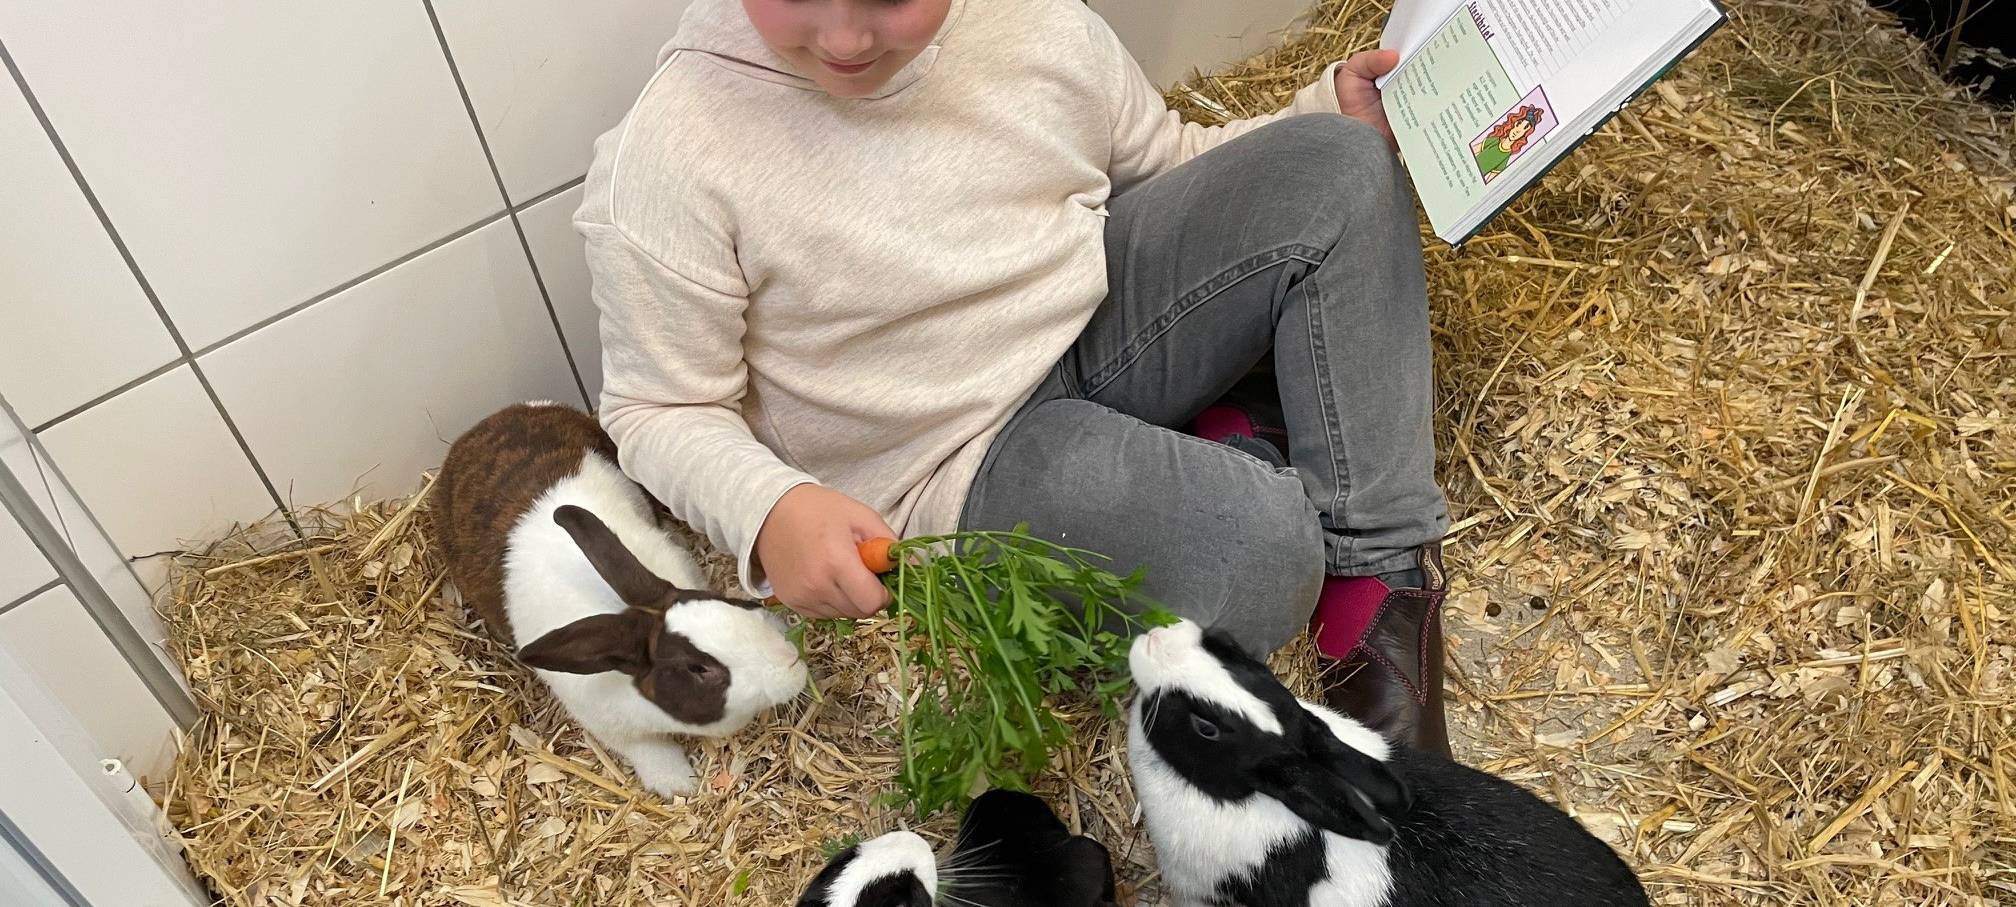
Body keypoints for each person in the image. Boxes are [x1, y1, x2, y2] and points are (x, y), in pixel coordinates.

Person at [576, 0, 1452, 752]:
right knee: (1261, 559)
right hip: (963, 457)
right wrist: (770, 511)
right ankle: (1239, 446)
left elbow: (1167, 165)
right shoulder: (672, 156)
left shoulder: (1035, 20)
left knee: (1338, 164)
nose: (844, 36)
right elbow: (658, 407)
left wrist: (1315, 113)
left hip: (1099, 312)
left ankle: (1378, 568)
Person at [1474, 105, 1543, 181]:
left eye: (1524, 129)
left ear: (1525, 134)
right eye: (1518, 124)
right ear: (1513, 123)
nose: (1518, 131)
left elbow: (1490, 179)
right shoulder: (1494, 140)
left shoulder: (1505, 157)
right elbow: (1471, 153)